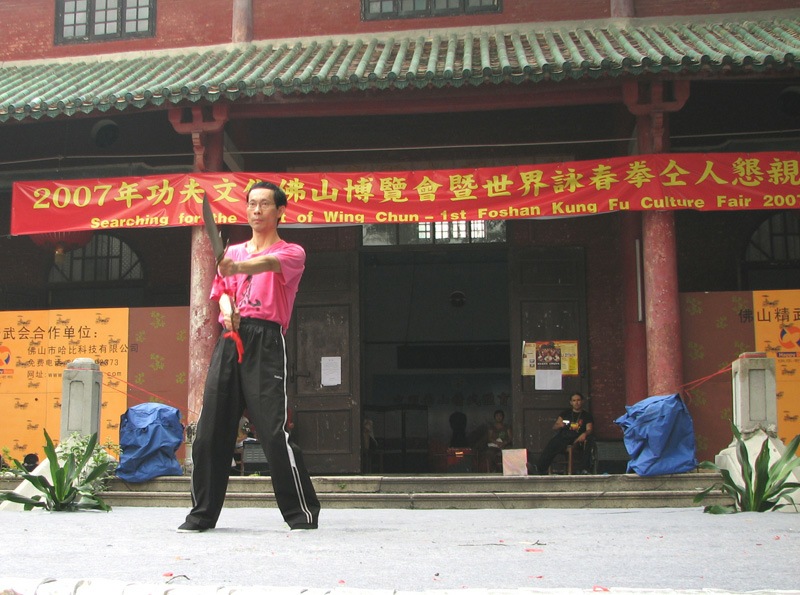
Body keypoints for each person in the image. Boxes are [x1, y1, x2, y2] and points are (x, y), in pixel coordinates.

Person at [179, 181, 320, 532]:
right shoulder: (234, 251)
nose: (256, 210)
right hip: (230, 339)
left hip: (266, 341)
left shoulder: (292, 252)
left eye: (264, 204)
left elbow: (268, 264)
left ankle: (301, 513)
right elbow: (223, 293)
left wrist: (238, 268)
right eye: (251, 204)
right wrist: (228, 312)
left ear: (280, 211)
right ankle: (201, 514)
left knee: (272, 432)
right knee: (209, 431)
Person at [537, 392, 594, 474]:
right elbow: (555, 426)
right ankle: (539, 468)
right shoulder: (565, 413)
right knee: (553, 443)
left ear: (582, 401)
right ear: (571, 402)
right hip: (565, 436)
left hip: (578, 437)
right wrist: (560, 425)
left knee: (590, 439)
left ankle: (584, 469)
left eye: (578, 400)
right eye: (574, 400)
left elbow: (589, 429)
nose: (576, 402)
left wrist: (584, 434)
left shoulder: (587, 415)